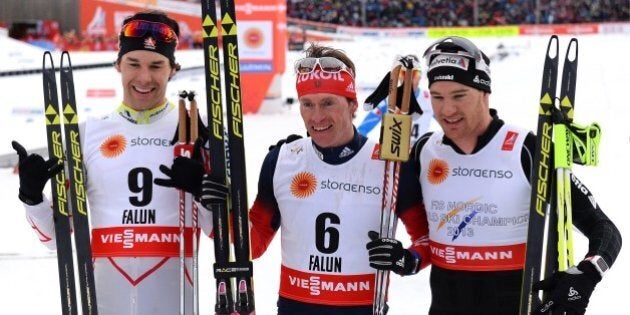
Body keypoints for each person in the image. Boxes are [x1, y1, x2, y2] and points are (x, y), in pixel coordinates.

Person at [366, 36, 622, 315]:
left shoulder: (527, 149)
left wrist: (585, 275)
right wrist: (408, 259)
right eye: (438, 97)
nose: (447, 110)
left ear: (484, 93)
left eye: (459, 96)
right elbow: (424, 236)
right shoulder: (425, 151)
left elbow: (605, 230)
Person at [187, 42, 431, 314]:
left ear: (352, 105)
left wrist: (406, 261)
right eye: (307, 104)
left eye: (328, 103)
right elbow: (253, 244)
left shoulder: (391, 166)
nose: (317, 117)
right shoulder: (281, 160)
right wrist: (213, 207)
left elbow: (426, 240)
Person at [13, 10, 213, 314]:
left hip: (175, 300)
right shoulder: (88, 133)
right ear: (118, 64)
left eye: (156, 65)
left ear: (173, 69)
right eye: (133, 63)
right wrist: (31, 196)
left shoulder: (196, 129)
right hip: (105, 301)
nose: (144, 78)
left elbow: (227, 234)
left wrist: (203, 192)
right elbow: (56, 239)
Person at [357, 54, 435, 144]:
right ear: (398, 76)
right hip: (393, 151)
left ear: (420, 76)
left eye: (414, 74)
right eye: (403, 73)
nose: (409, 79)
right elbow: (362, 129)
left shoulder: (429, 99)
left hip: (417, 152)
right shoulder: (388, 100)